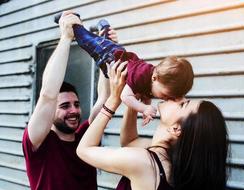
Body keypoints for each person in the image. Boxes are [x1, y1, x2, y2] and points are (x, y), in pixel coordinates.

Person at [76, 61, 229, 190]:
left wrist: (114, 99)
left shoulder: (144, 162)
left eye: (184, 104)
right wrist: (134, 102)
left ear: (176, 129)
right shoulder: (171, 162)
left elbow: (84, 150)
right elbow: (129, 142)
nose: (179, 97)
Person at [22, 10, 119, 190]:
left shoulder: (85, 137)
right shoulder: (38, 143)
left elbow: (105, 97)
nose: (74, 110)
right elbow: (48, 94)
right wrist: (66, 37)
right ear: (50, 112)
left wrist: (108, 50)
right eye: (65, 106)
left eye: (76, 104)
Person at [66, 14, 194, 125]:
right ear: (155, 78)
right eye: (165, 95)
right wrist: (143, 108)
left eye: (168, 98)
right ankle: (74, 23)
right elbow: (125, 96)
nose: (164, 98)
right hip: (109, 55)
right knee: (87, 41)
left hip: (116, 64)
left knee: (103, 98)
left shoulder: (155, 83)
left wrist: (146, 108)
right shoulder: (141, 75)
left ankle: (104, 29)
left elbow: (145, 95)